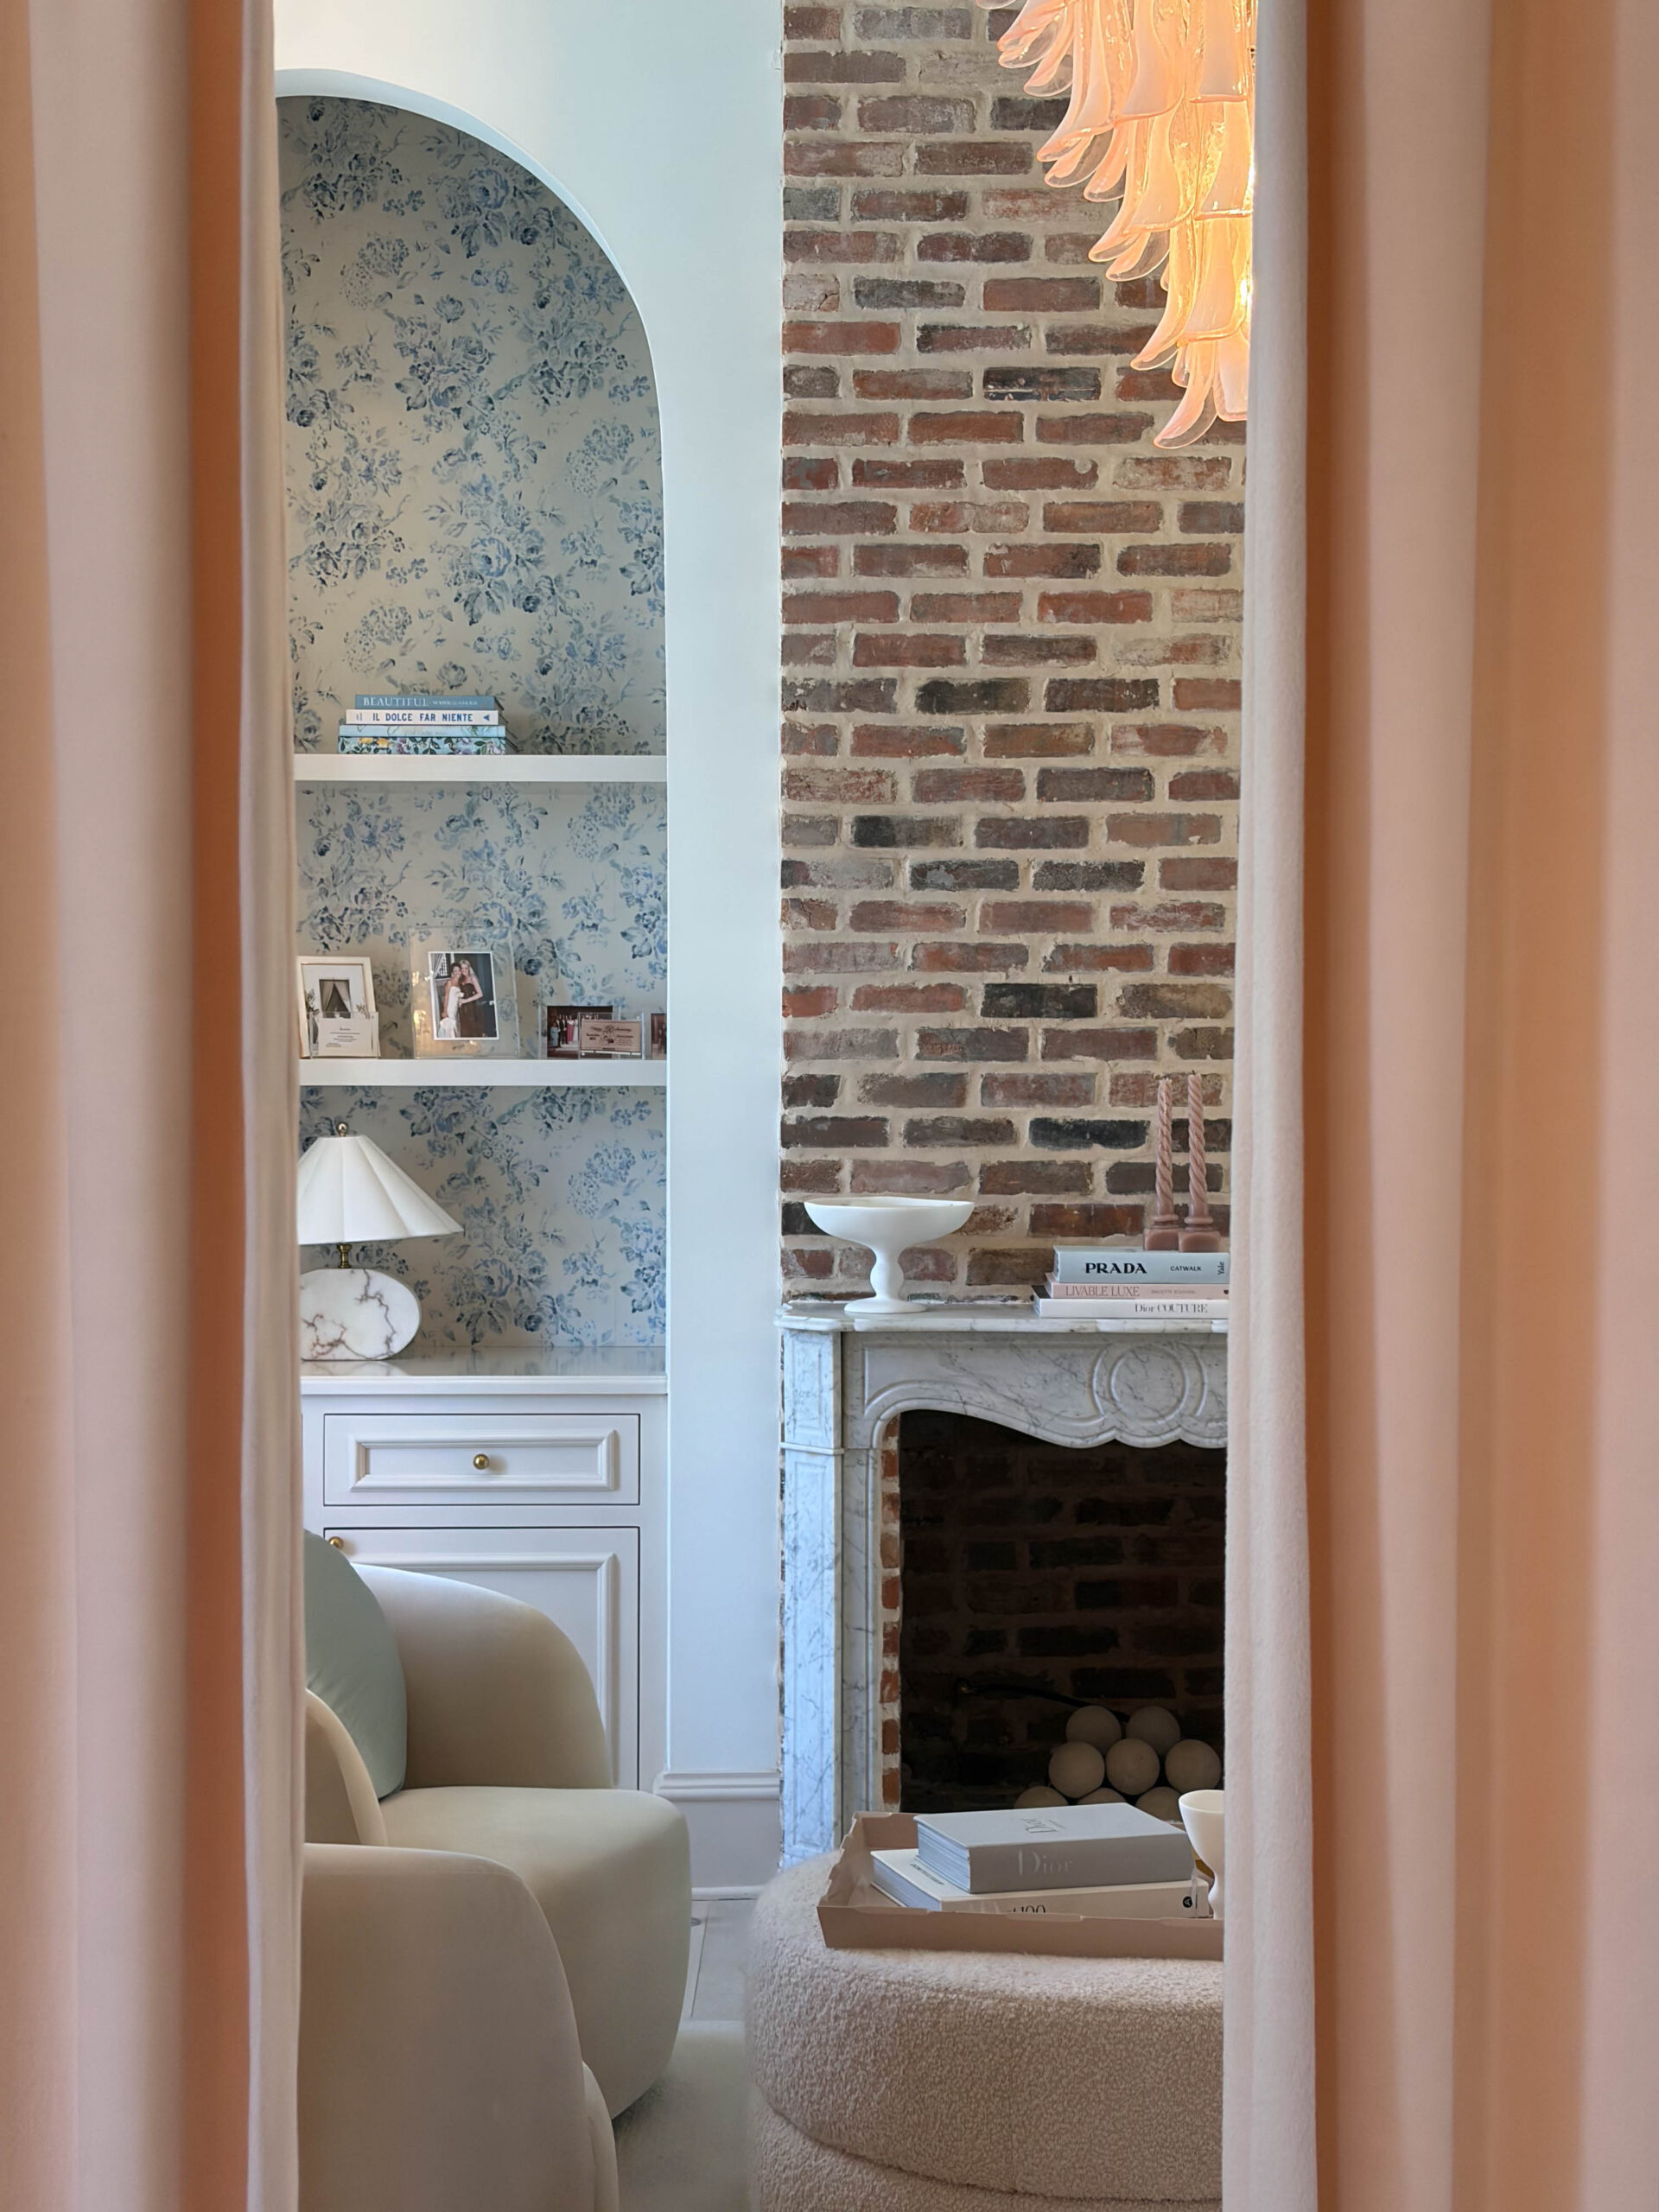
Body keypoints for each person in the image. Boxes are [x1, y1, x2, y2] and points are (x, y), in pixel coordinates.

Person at [435, 955, 481, 1040]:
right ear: (452, 972)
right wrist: (445, 1011)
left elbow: (478, 994)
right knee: (453, 1026)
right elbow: (447, 997)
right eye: (459, 970)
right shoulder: (452, 982)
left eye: (460, 970)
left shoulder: (467, 980)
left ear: (469, 968)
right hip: (452, 1008)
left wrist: (465, 1000)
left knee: (467, 1027)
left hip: (465, 1007)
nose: (460, 971)